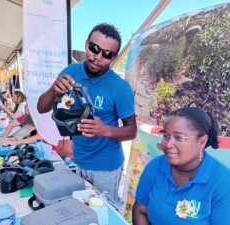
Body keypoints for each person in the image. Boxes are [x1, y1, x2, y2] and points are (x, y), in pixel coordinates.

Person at [37, 23, 137, 207]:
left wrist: (105, 130)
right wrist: (53, 90)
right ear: (86, 44)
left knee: (105, 214)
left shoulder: (120, 87)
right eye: (94, 48)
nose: (97, 57)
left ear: (113, 57)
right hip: (78, 161)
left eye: (106, 54)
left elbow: (132, 131)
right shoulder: (69, 73)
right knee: (80, 212)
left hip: (106, 168)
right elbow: (41, 108)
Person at [132, 107, 230, 225]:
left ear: (202, 141)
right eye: (166, 136)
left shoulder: (228, 188)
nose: (168, 144)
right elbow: (140, 210)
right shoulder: (156, 166)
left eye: (178, 138)